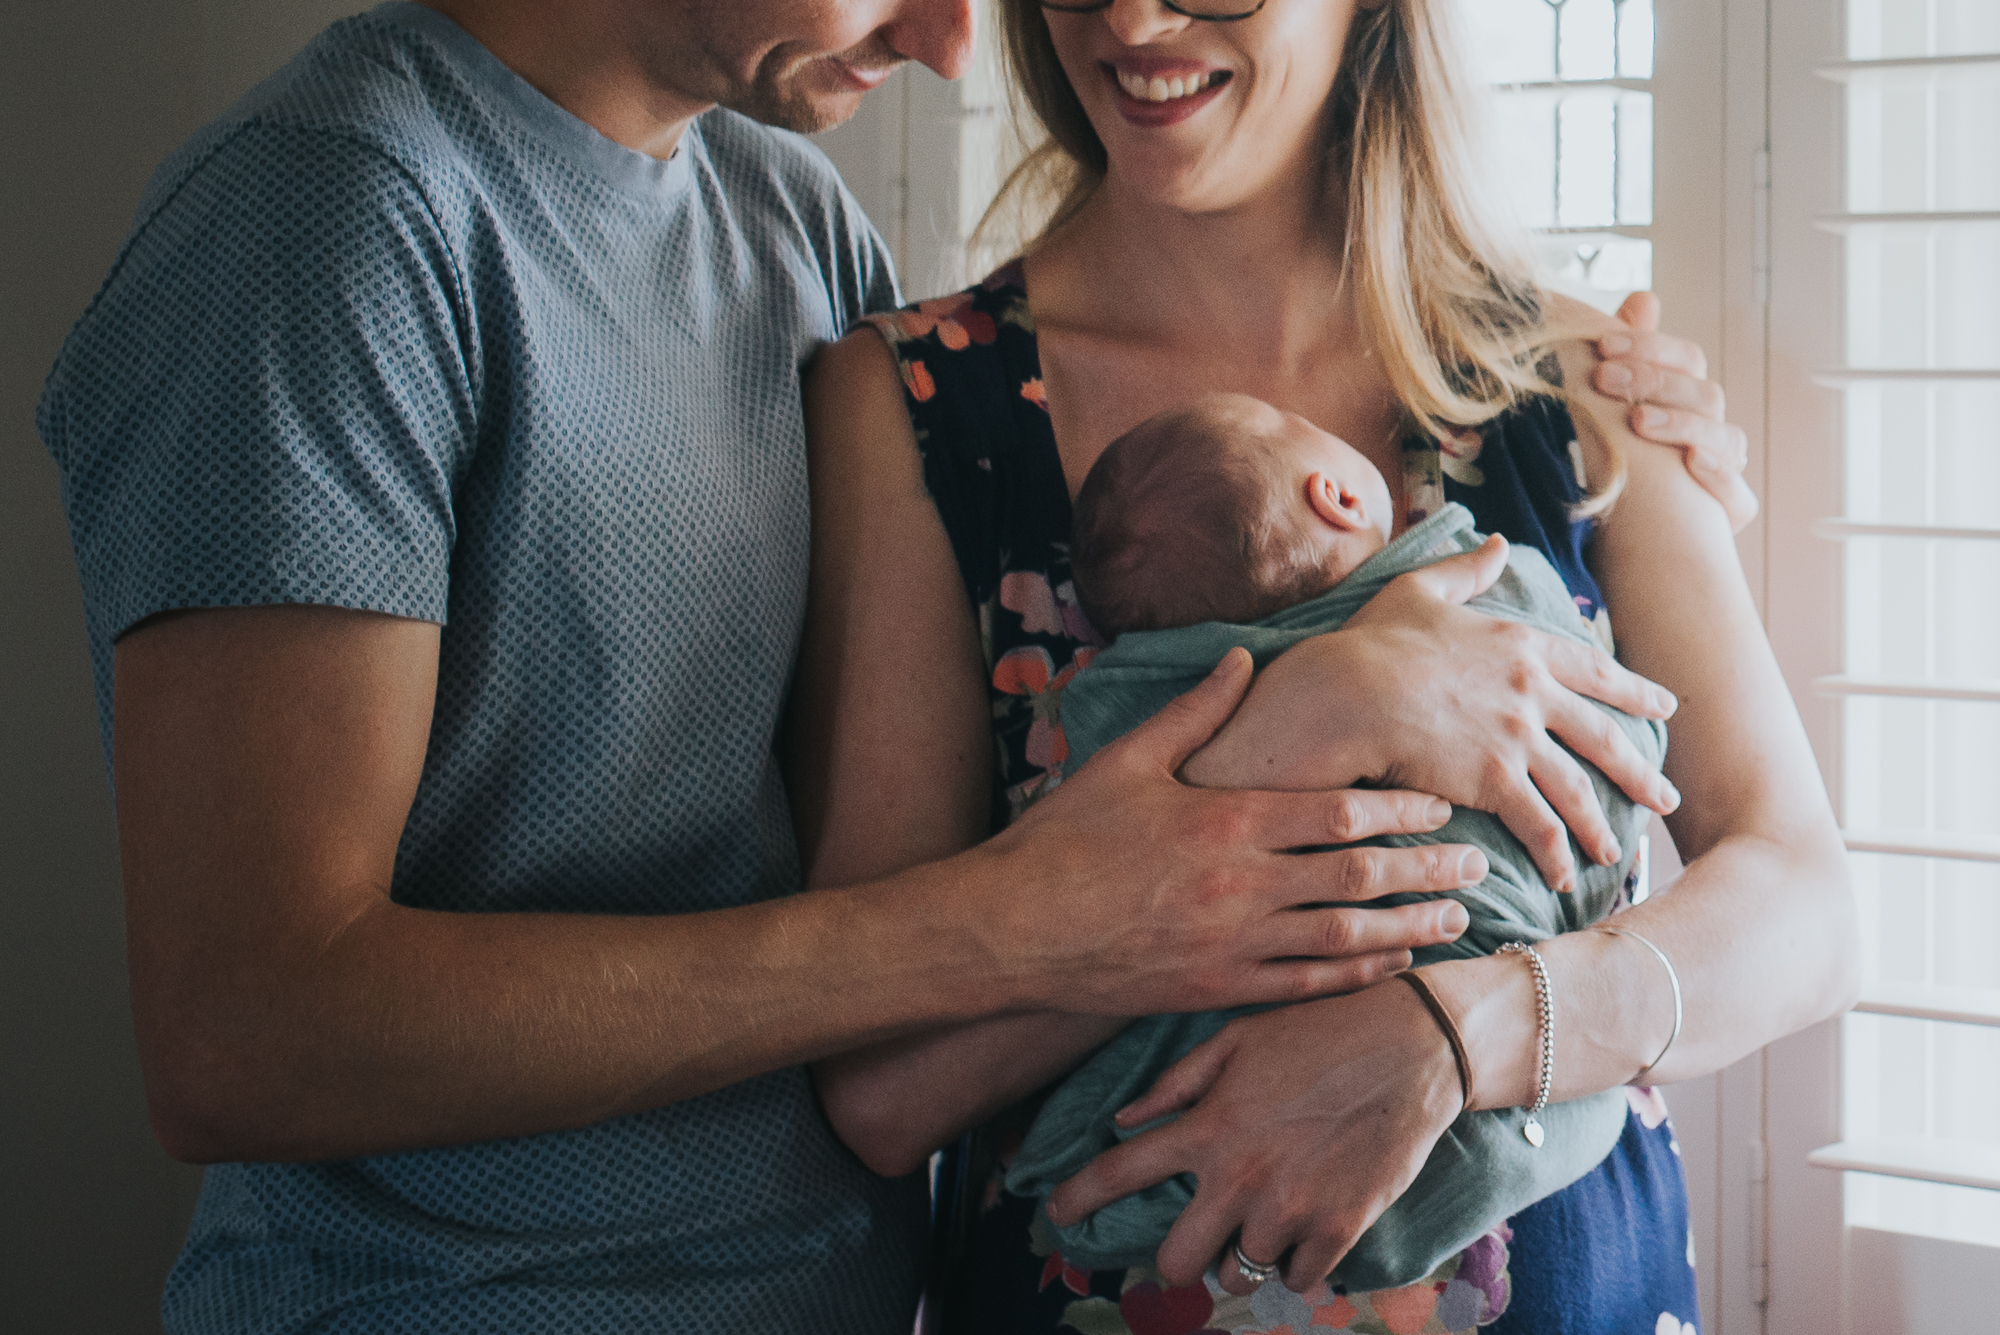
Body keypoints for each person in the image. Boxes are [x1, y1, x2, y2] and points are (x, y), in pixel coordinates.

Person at [36, 0, 1752, 1330]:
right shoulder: (330, 220)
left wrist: (1478, 1016)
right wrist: (1219, 787)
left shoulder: (787, 225)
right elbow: (244, 1032)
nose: (957, 45)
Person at [796, 0, 1857, 1332]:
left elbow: (1805, 909)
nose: (1129, 18)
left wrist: (1457, 1028)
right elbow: (884, 1088)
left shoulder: (1583, 382)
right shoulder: (914, 403)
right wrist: (1298, 727)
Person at [1008, 393, 1664, 1293]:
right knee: (1587, 1101)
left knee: (1143, 1112)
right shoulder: (1480, 579)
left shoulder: (1155, 688)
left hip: (1392, 1037)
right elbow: (1627, 738)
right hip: (1506, 944)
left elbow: (1795, 905)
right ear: (1340, 497)